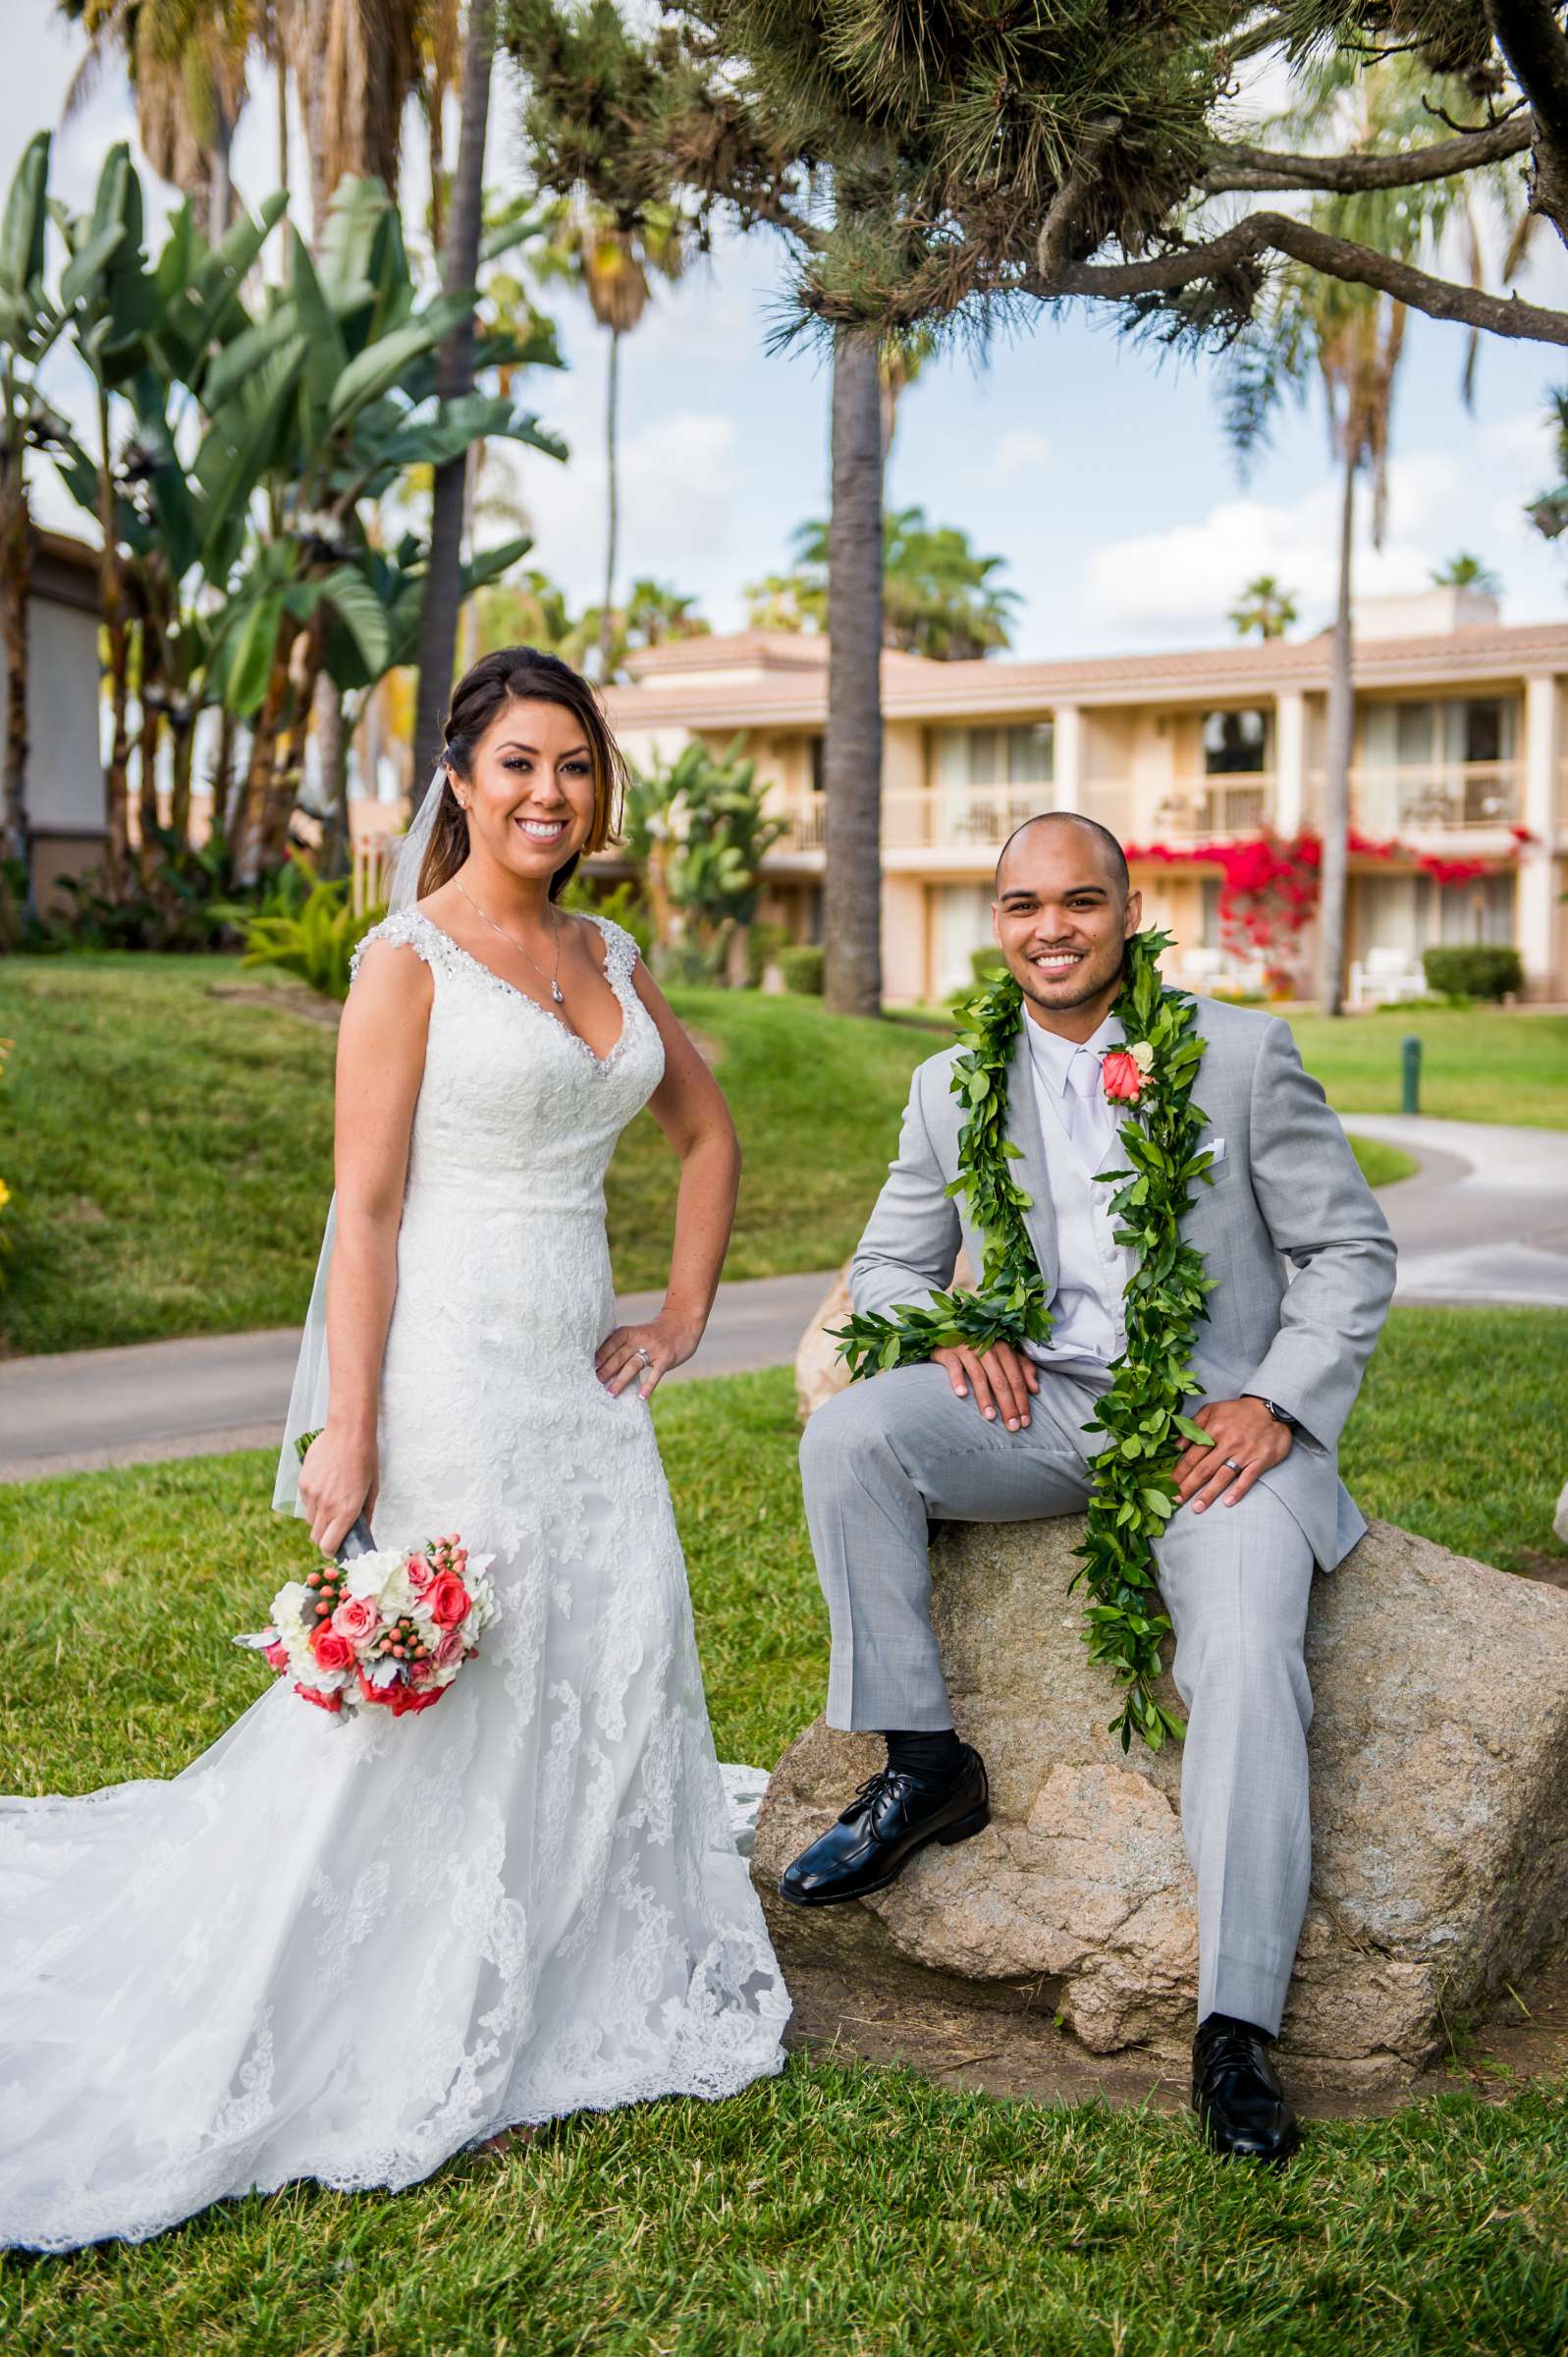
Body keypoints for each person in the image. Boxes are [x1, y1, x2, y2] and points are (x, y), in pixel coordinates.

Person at [0, 646, 787, 2254]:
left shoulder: (613, 956)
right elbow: (361, 1210)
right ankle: (400, 1965)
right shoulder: (405, 961)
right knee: (464, 1669)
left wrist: (684, 1313)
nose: (549, 793)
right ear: (459, 777)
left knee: (607, 1641)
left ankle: (578, 1943)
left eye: (573, 765)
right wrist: (345, 1428)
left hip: (584, 1381)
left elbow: (704, 1137)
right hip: (451, 1368)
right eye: (517, 764)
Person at [781, 811, 1395, 2164]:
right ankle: (924, 1766)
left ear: (1128, 909)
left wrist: (1275, 1400)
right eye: (1019, 905)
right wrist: (958, 1327)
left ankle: (1233, 2028)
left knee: (1240, 1656)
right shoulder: (950, 1084)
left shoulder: (1236, 1055)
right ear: (994, 923)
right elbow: (885, 1269)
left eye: (1075, 900)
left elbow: (1347, 1252)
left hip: (1210, 1430)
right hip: (1041, 1408)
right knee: (852, 1439)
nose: (1047, 928)